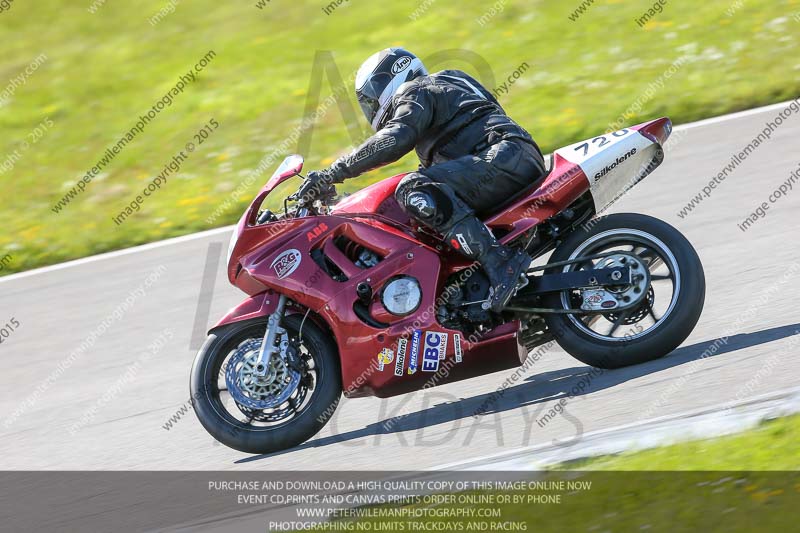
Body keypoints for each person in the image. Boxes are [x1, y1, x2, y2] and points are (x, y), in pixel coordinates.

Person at [297, 47, 547, 312]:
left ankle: (499, 263)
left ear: (388, 80)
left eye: (370, 100)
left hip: (499, 158)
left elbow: (395, 138)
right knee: (426, 203)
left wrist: (332, 173)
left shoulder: (415, 90)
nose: (370, 108)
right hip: (515, 155)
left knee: (413, 188)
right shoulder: (451, 82)